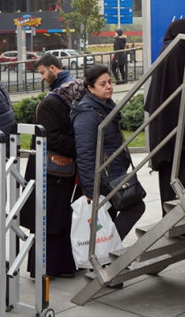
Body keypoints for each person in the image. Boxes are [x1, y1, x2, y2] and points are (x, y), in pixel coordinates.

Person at [72, 64, 145, 240]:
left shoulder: (104, 106)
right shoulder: (87, 114)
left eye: (110, 82)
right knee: (135, 206)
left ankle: (107, 252)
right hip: (103, 177)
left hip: (113, 172)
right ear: (90, 88)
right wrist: (90, 189)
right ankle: (111, 247)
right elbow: (85, 153)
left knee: (110, 215)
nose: (109, 86)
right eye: (102, 84)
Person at [21, 78, 85, 278]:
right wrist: (80, 145)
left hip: (58, 173)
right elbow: (51, 137)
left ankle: (62, 266)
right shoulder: (52, 104)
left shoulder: (64, 103)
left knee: (59, 219)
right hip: (49, 172)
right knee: (48, 222)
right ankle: (46, 268)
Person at [144, 19, 185, 212]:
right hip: (175, 132)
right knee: (178, 177)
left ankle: (171, 218)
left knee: (169, 179)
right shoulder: (177, 53)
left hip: (165, 131)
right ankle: (178, 218)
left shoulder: (169, 51)